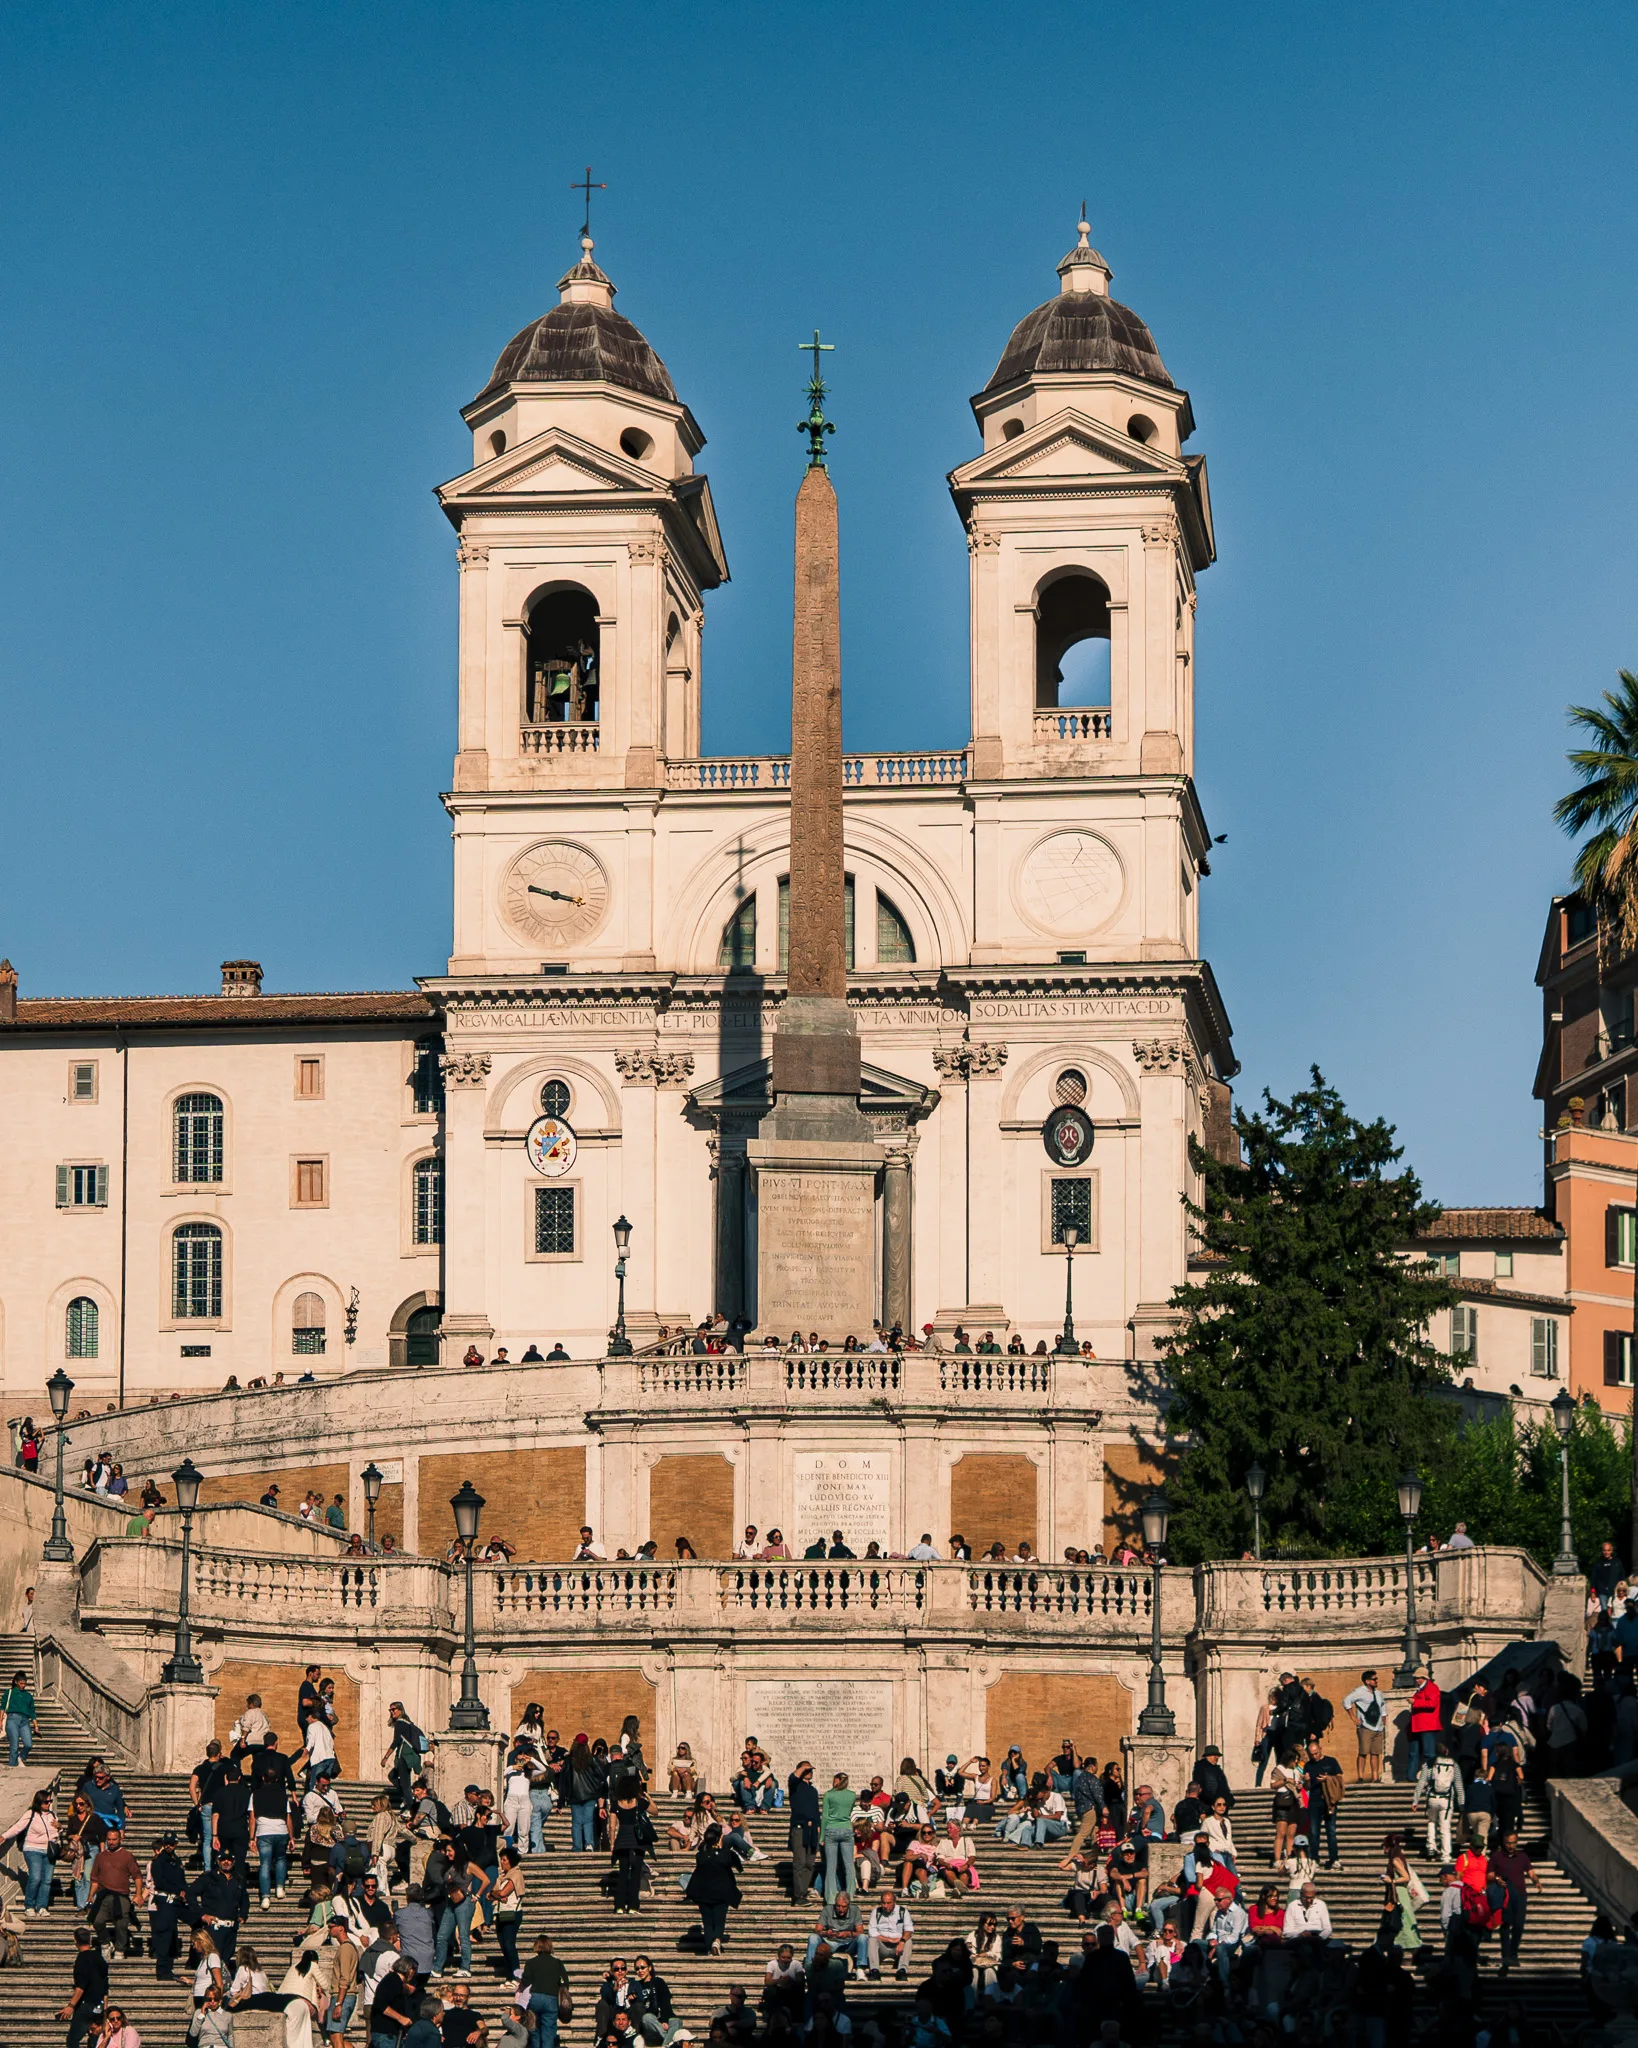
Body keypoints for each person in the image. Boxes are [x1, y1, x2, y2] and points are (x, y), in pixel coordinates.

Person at [89, 1821, 145, 1956]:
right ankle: (105, 1944)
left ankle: (120, 1950)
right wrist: (90, 1895)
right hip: (103, 1895)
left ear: (120, 1839)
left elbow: (137, 1876)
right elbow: (95, 1879)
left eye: (114, 1839)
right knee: (97, 1920)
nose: (111, 1842)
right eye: (109, 1839)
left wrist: (138, 1894)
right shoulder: (100, 1856)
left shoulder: (127, 1856)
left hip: (121, 1896)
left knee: (121, 1924)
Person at [686, 1822, 742, 1956]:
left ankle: (708, 1945)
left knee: (707, 1921)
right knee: (719, 1920)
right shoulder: (727, 1854)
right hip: (721, 1892)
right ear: (719, 1837)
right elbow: (739, 1867)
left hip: (703, 1893)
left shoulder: (700, 1855)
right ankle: (716, 1940)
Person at [2, 1784, 59, 1915]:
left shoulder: (52, 1815)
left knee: (47, 1880)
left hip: (50, 1851)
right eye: (46, 1802)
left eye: (50, 1801)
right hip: (33, 1849)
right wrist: (4, 1836)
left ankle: (42, 1907)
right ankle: (29, 1905)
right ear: (39, 1802)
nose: (49, 1804)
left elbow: (55, 1833)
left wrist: (59, 1828)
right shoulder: (31, 1814)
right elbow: (18, 1827)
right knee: (35, 1877)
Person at [1491, 1829, 1541, 1974]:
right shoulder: (1496, 1857)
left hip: (1520, 1895)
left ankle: (1513, 1953)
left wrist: (1536, 1882)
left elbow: (1531, 1872)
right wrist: (1496, 1879)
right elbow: (1489, 1874)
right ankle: (1506, 1955)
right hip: (1504, 1895)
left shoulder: (1522, 1857)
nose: (1510, 1846)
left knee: (1519, 1925)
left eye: (1513, 1843)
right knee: (1505, 1926)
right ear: (1503, 1843)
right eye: (1508, 1843)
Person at [60, 1926, 111, 2048]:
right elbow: (105, 1987)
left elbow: (81, 1986)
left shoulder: (81, 1959)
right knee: (95, 2038)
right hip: (98, 2004)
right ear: (90, 1940)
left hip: (85, 2004)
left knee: (73, 2040)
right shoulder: (99, 1958)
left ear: (75, 1941)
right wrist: (104, 2009)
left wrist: (70, 2006)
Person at [1303, 1735, 1343, 1869]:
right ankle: (1314, 1858)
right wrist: (1307, 1780)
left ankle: (1334, 1858)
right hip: (1314, 1801)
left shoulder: (1331, 1761)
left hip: (1329, 1800)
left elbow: (1340, 1779)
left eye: (1316, 1753)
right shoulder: (1308, 1765)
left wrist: (1328, 1779)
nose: (1314, 1756)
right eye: (1311, 1754)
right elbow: (1307, 1787)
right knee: (1314, 1832)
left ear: (1320, 1749)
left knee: (1331, 1830)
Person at [1420, 1743, 1466, 1861]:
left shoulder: (1429, 1764)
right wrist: (1462, 1803)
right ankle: (1446, 1855)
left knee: (1431, 1822)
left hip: (1431, 1798)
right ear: (1447, 1752)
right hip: (1446, 1799)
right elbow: (1459, 1785)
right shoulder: (1453, 1764)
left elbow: (1421, 1782)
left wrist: (1415, 1800)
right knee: (1445, 1827)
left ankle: (1431, 1846)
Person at [1343, 1669, 1389, 1782]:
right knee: (1363, 1752)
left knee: (1375, 1753)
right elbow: (1346, 1701)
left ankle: (1375, 1777)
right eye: (1374, 1679)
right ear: (1367, 1681)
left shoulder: (1378, 1693)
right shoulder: (1359, 1692)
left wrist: (1384, 1718)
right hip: (1365, 1727)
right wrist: (1353, 1717)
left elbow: (1383, 1705)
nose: (1376, 1681)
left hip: (1378, 1727)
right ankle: (1360, 1777)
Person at [788, 1761, 820, 1905]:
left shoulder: (813, 1790)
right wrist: (802, 1768)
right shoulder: (795, 1786)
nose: (810, 1772)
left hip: (813, 1830)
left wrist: (818, 1827)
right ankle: (797, 1895)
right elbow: (792, 1778)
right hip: (800, 1828)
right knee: (799, 1862)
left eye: (811, 1770)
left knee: (809, 1863)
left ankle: (803, 1891)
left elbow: (816, 1810)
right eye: (807, 1770)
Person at [821, 1773, 857, 1898]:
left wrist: (821, 1837)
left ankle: (831, 1897)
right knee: (849, 1866)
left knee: (831, 1867)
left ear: (836, 1780)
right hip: (846, 1828)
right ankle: (850, 1895)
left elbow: (825, 1817)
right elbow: (849, 1811)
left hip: (831, 1828)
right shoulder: (852, 1795)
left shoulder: (829, 1795)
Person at [866, 1888, 914, 1980]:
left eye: (889, 1903)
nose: (886, 1906)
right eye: (884, 1903)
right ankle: (874, 1970)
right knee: (872, 1940)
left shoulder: (903, 1912)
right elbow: (872, 1932)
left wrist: (902, 1941)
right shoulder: (876, 1912)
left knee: (908, 1941)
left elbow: (909, 1929)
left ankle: (902, 1970)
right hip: (882, 1946)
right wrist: (889, 1939)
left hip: (898, 1947)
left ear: (894, 1902)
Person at [3, 1665, 36, 1767]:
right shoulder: (10, 1692)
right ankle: (12, 1767)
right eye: (21, 1683)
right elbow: (2, 1707)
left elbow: (32, 1711)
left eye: (24, 1683)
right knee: (14, 1746)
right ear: (16, 1682)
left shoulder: (28, 1696)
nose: (23, 1685)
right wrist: (0, 1721)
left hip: (25, 1720)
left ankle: (20, 1757)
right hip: (12, 1719)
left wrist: (36, 1725)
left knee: (28, 1744)